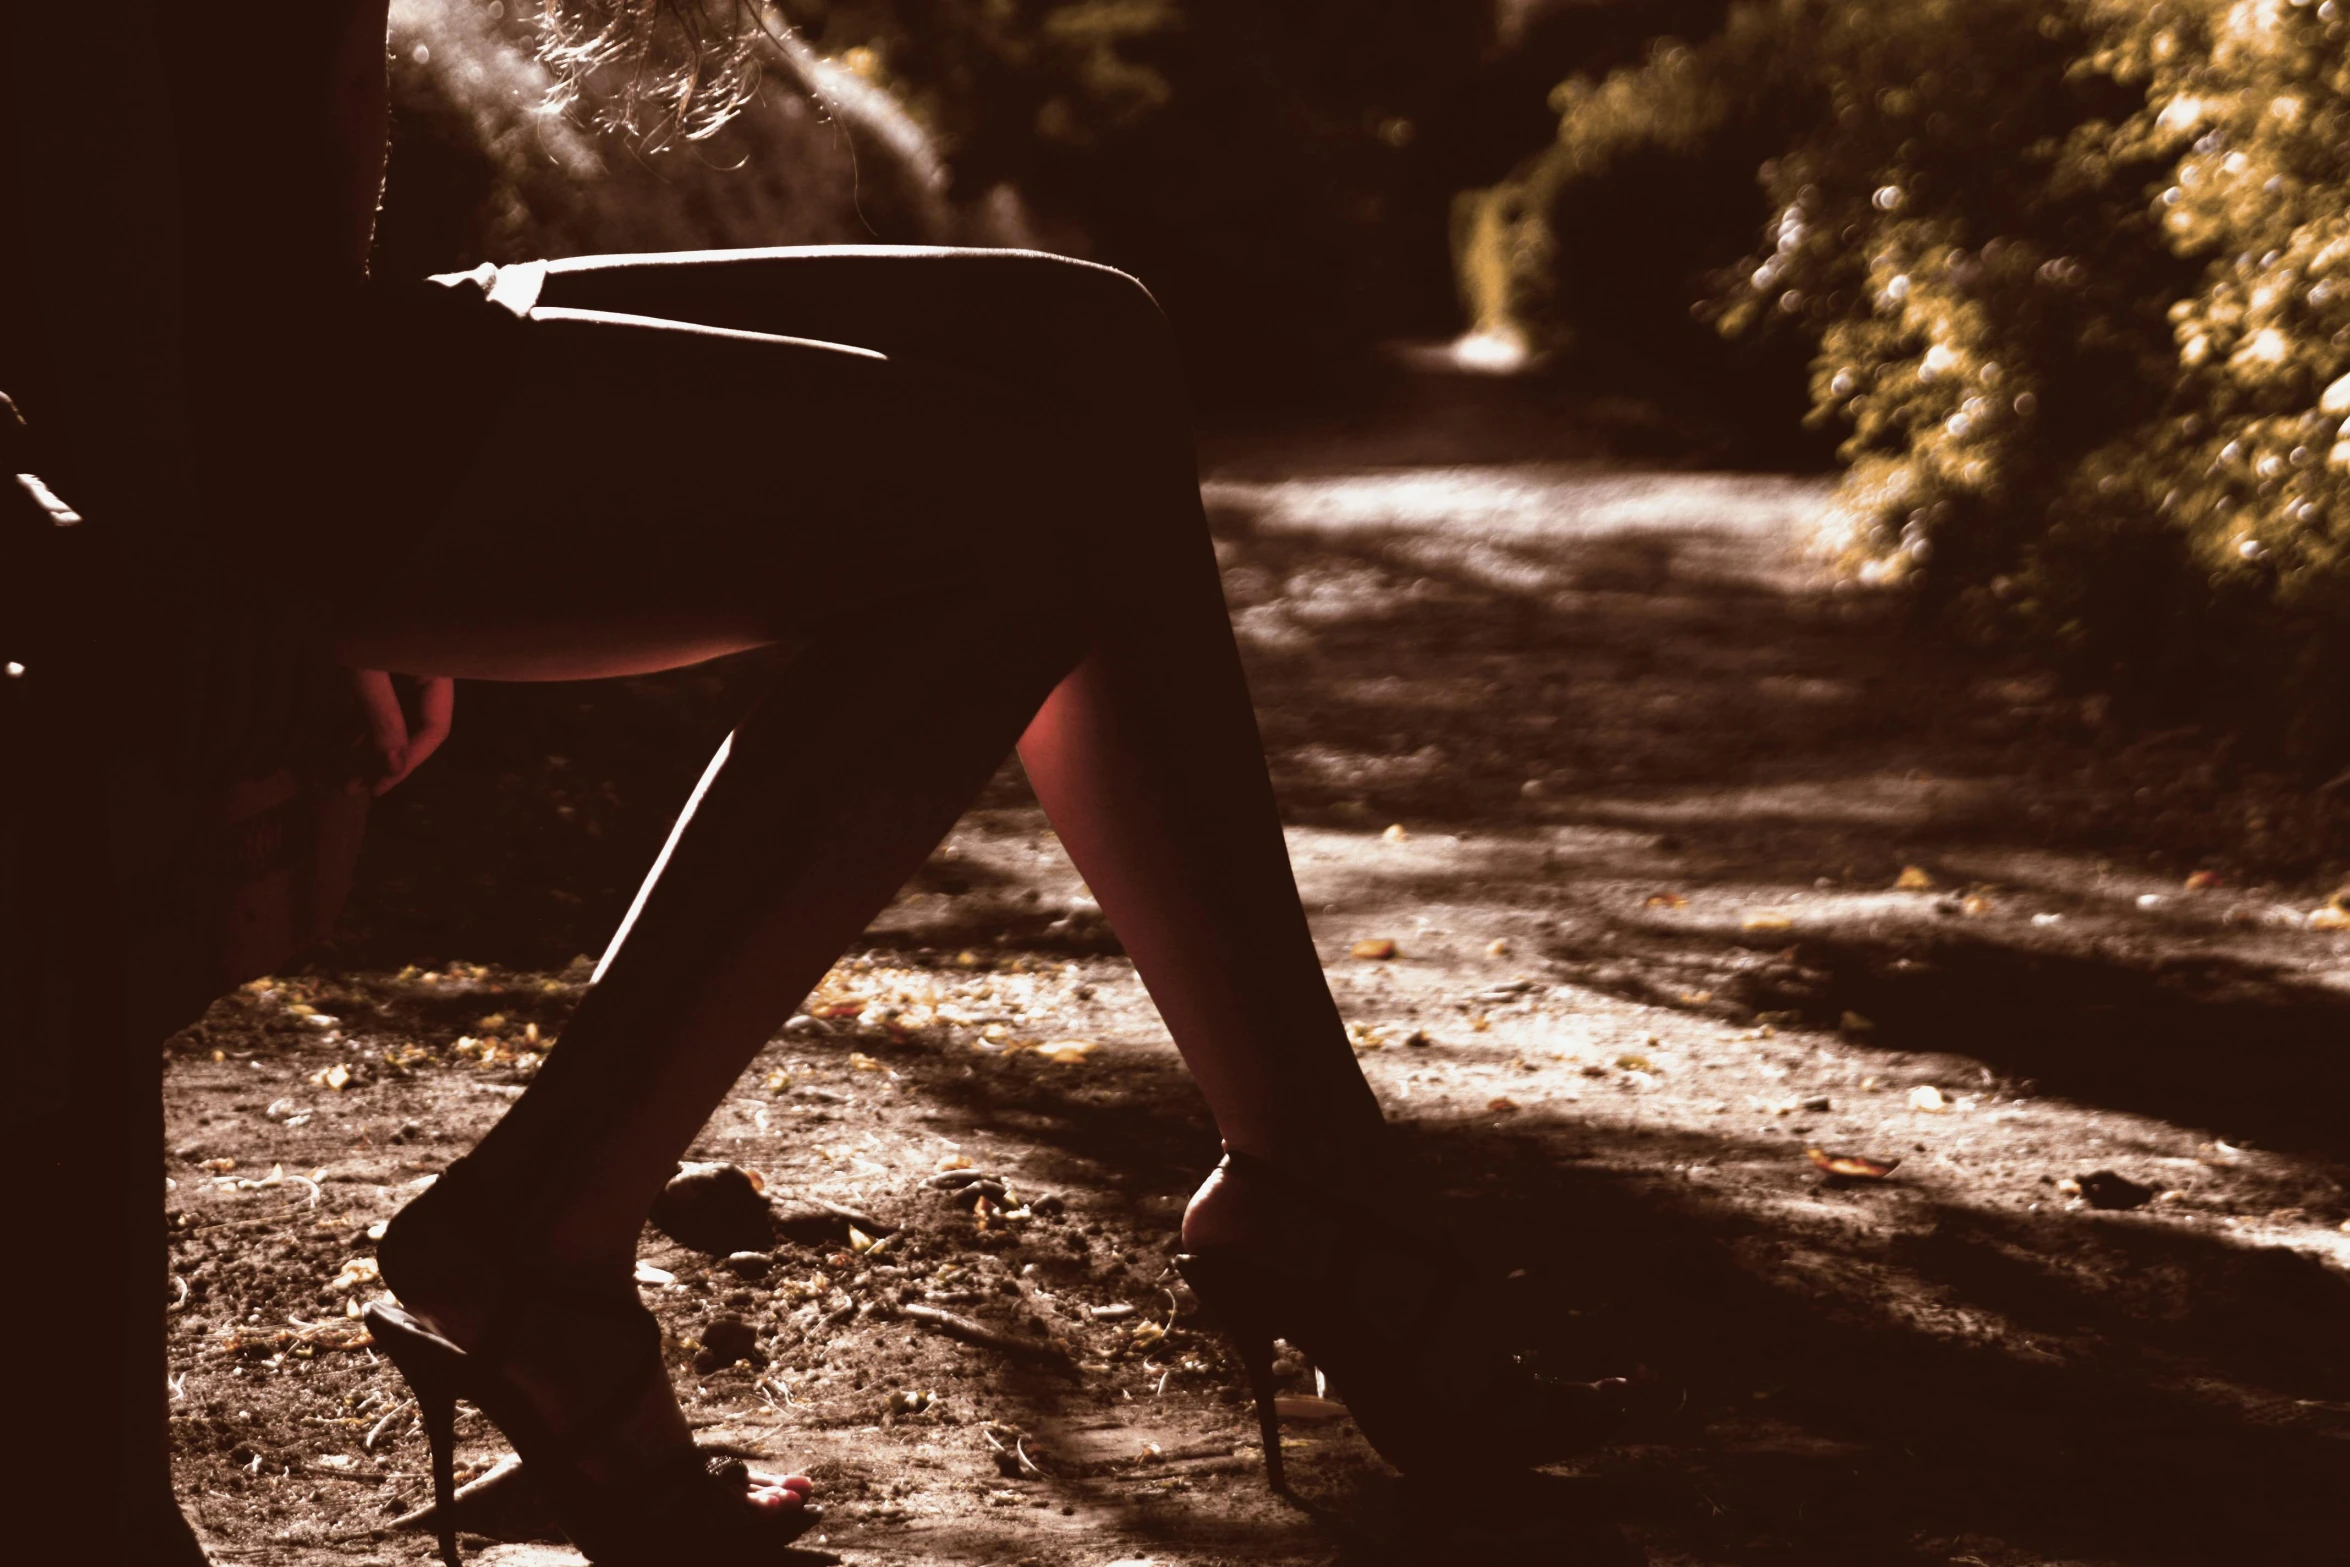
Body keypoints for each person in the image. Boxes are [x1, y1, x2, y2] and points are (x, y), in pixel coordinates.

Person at [1, 3, 1626, 1563]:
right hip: (185, 395)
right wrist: (202, 552)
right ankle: (536, 1236)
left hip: (293, 351)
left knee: (1090, 344)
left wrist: (362, 550)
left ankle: (1307, 1169)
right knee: (1026, 515)